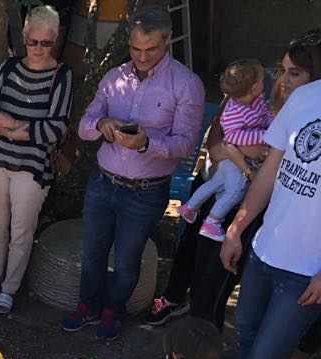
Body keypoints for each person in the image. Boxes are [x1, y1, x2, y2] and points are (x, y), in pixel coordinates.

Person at [147, 32, 321, 329]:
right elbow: (219, 134)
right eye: (282, 70)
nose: (284, 79)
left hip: (253, 204)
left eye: (295, 73)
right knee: (193, 252)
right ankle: (178, 307)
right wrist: (227, 150)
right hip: (219, 185)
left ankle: (200, 353)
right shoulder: (260, 89)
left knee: (216, 278)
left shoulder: (308, 111)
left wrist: (247, 153)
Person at [62, 6, 204, 340]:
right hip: (103, 181)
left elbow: (186, 144)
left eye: (150, 49)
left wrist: (145, 144)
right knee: (93, 251)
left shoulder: (186, 84)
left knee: (127, 259)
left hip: (146, 190)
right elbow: (83, 127)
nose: (141, 56)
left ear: (167, 41)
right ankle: (88, 306)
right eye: (135, 49)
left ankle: (114, 309)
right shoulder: (114, 78)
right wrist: (101, 123)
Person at [219, 70, 321, 359]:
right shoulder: (306, 96)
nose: (283, 76)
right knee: (245, 339)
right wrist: (237, 228)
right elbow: (268, 176)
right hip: (264, 253)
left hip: (308, 273)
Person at [0, 5, 72, 315]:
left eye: (46, 42)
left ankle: (9, 289)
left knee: (21, 231)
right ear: (24, 37)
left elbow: (55, 129)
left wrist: (9, 126)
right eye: (33, 41)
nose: (38, 49)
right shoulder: (9, 68)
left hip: (32, 169)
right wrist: (18, 129)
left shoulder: (61, 76)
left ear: (54, 40)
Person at [178, 60, 272, 242]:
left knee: (215, 183)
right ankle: (213, 221)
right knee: (235, 189)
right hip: (232, 160)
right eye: (262, 79)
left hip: (232, 157)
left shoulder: (256, 101)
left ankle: (190, 207)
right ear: (253, 87)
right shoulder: (234, 112)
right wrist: (265, 135)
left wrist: (272, 122)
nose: (266, 81)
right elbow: (234, 138)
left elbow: (265, 115)